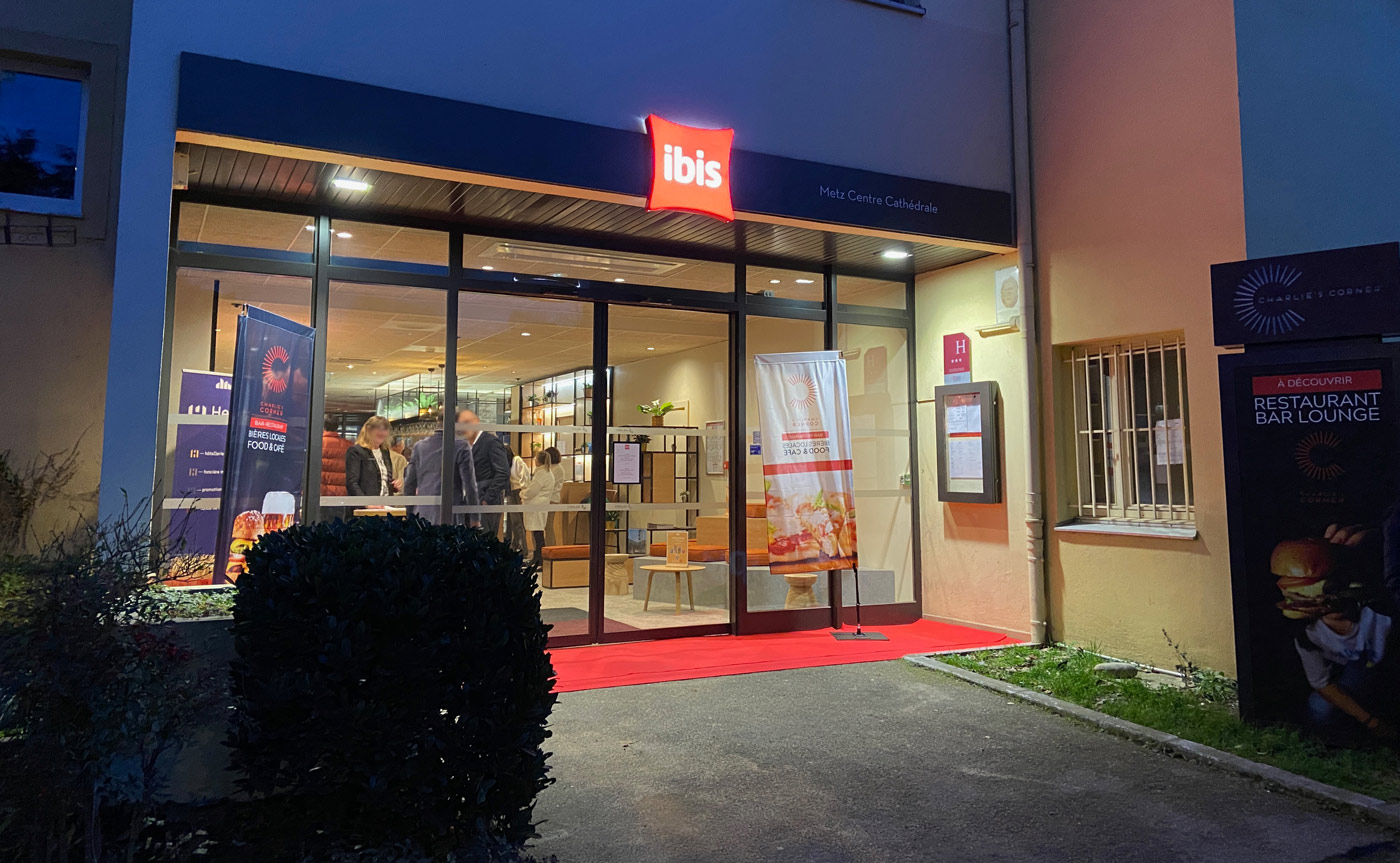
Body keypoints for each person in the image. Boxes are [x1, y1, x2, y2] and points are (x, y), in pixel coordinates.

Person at [403, 419, 479, 525]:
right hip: (450, 514)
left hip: (422, 513)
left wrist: (410, 513)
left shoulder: (419, 446)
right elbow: (470, 485)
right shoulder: (461, 446)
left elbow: (409, 483)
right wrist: (475, 518)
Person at [458, 409, 510, 536]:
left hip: (484, 504)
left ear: (476, 422)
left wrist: (487, 498)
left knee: (484, 540)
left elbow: (503, 472)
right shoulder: (465, 445)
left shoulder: (490, 442)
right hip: (467, 504)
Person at [346, 415, 402, 498]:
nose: (382, 433)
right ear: (368, 430)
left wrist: (394, 484)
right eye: (379, 429)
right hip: (366, 504)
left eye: (385, 429)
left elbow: (382, 479)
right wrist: (366, 503)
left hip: (386, 503)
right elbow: (352, 483)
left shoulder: (385, 452)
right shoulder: (356, 451)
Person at [520, 449, 557, 565]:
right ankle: (537, 557)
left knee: (538, 534)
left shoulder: (541, 474)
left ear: (539, 461)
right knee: (537, 533)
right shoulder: (547, 473)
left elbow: (532, 491)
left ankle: (539, 559)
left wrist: (522, 493)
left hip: (536, 507)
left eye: (535, 459)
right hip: (541, 506)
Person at [505, 445, 529, 552]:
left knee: (518, 521)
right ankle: (515, 545)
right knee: (513, 522)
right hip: (510, 491)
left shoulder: (516, 460)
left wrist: (523, 490)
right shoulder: (508, 462)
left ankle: (523, 548)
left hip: (518, 491)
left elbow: (525, 475)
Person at [319, 417, 350, 496]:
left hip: (321, 492)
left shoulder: (317, 444)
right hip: (342, 494)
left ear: (323, 426)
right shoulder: (349, 446)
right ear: (337, 427)